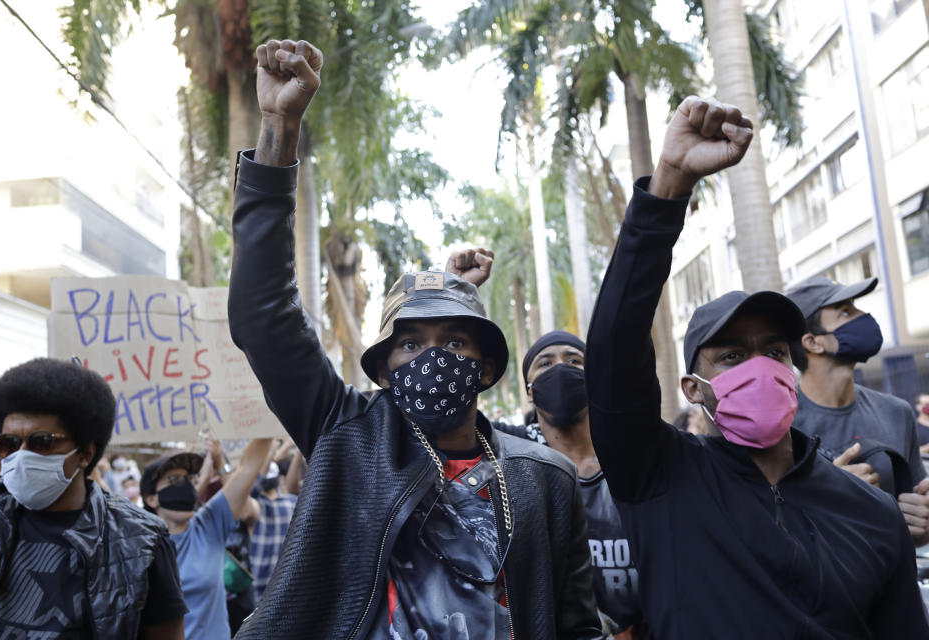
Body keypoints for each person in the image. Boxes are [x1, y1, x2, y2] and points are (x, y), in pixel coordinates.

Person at [227, 38, 601, 639]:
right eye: (409, 344)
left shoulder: (545, 477)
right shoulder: (342, 438)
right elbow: (260, 312)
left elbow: (578, 626)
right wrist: (279, 128)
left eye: (454, 344)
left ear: (484, 368)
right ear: (382, 370)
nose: (431, 358)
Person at [585, 95, 929, 637]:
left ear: (794, 366)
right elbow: (614, 347)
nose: (759, 367)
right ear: (694, 389)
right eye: (731, 356)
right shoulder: (659, 476)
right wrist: (669, 185)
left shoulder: (871, 513)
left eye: (773, 351)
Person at [0, 358, 187, 638]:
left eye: (42, 442)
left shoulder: (141, 541)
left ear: (84, 453)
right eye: (8, 443)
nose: (21, 456)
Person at [498, 330, 645, 639]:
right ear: (529, 389)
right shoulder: (509, 452)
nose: (560, 369)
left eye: (574, 360)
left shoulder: (634, 456)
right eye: (545, 363)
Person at [785, 276, 929, 543]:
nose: (864, 316)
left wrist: (922, 525)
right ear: (813, 342)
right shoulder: (781, 426)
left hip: (897, 582)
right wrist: (829, 494)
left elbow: (913, 522)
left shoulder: (897, 412)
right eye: (845, 312)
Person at [140, 436, 271, 640]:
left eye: (190, 479)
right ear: (151, 498)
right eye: (174, 480)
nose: (185, 486)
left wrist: (263, 417)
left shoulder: (208, 525)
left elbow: (248, 467)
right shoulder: (140, 547)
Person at [249, 460, 297, 603]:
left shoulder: (252, 505)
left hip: (257, 591)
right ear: (278, 480)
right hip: (287, 587)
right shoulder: (294, 503)